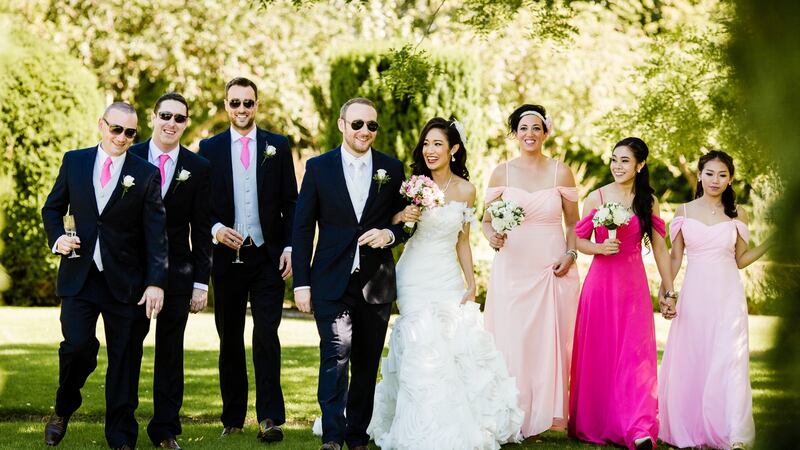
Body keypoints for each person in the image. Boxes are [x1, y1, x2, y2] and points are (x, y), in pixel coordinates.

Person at [368, 117, 523, 449]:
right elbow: (390, 222)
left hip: (447, 277)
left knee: (455, 344)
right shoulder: (412, 184)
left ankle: (458, 421)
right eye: (426, 143)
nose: (430, 150)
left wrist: (471, 282)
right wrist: (402, 216)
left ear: (453, 149)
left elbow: (462, 241)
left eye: (437, 144)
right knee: (421, 341)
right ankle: (419, 423)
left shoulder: (467, 190)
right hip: (414, 274)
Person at [41, 102, 168, 450]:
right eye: (116, 129)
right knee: (77, 347)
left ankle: (121, 438)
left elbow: (155, 233)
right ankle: (63, 409)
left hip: (127, 282)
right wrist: (58, 239)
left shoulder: (145, 173)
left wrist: (155, 282)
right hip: (80, 277)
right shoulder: (75, 161)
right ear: (102, 125)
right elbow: (52, 208)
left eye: (130, 133)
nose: (122, 137)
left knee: (125, 360)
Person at [292, 98, 407, 450]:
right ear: (342, 124)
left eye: (371, 125)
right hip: (330, 280)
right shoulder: (318, 167)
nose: (364, 131)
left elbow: (405, 222)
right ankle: (332, 435)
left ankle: (357, 435)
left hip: (376, 282)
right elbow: (302, 228)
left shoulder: (391, 168)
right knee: (335, 353)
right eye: (357, 124)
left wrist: (389, 234)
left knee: (367, 362)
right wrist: (301, 283)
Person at [198, 77, 297, 442]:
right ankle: (233, 418)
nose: (242, 109)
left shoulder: (278, 146)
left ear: (257, 105)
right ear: (226, 105)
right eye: (235, 103)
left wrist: (289, 248)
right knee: (229, 338)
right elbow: (200, 206)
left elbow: (291, 202)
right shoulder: (209, 148)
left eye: (248, 103)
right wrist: (215, 229)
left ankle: (269, 418)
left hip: (268, 256)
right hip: (227, 259)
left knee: (267, 335)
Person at [658, 151, 771, 450]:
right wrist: (666, 291)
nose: (715, 180)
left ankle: (733, 432)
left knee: (728, 359)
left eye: (722, 175)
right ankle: (690, 429)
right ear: (700, 175)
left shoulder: (738, 214)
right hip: (694, 294)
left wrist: (770, 243)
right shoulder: (684, 211)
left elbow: (741, 259)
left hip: (728, 296)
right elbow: (674, 257)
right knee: (693, 358)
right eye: (709, 173)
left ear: (730, 179)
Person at [568, 137, 674, 450]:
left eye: (625, 160)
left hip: (633, 287)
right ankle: (601, 420)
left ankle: (638, 427)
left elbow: (660, 248)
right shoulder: (596, 197)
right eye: (614, 159)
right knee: (601, 353)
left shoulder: (648, 200)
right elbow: (578, 241)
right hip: (600, 285)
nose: (617, 166)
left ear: (640, 165)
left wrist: (669, 288)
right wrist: (599, 247)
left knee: (635, 355)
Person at [482, 104, 581, 437]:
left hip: (551, 266)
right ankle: (511, 413)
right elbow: (486, 221)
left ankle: (542, 415)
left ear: (545, 132)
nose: (529, 134)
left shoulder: (561, 172)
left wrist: (571, 254)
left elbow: (574, 224)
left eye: (536, 128)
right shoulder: (502, 173)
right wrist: (492, 236)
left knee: (546, 342)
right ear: (515, 133)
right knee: (512, 338)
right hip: (511, 267)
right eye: (523, 128)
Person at [129, 92, 212, 450]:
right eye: (165, 115)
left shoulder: (199, 167)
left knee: (170, 353)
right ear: (153, 117)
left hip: (178, 271)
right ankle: (122, 427)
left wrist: (201, 282)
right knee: (128, 349)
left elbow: (202, 229)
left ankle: (165, 430)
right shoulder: (129, 156)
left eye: (179, 118)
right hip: (133, 272)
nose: (171, 123)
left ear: (186, 123)